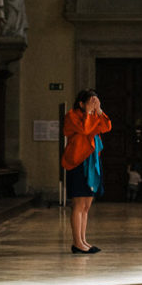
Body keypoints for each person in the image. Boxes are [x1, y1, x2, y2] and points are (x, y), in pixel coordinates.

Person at [61, 89, 111, 254]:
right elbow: (85, 130)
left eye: (96, 101)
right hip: (77, 163)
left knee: (87, 205)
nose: (93, 104)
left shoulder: (93, 115)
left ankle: (83, 240)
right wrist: (89, 112)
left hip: (91, 162)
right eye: (91, 101)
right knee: (78, 204)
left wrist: (99, 110)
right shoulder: (72, 115)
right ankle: (77, 243)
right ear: (81, 103)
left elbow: (106, 127)